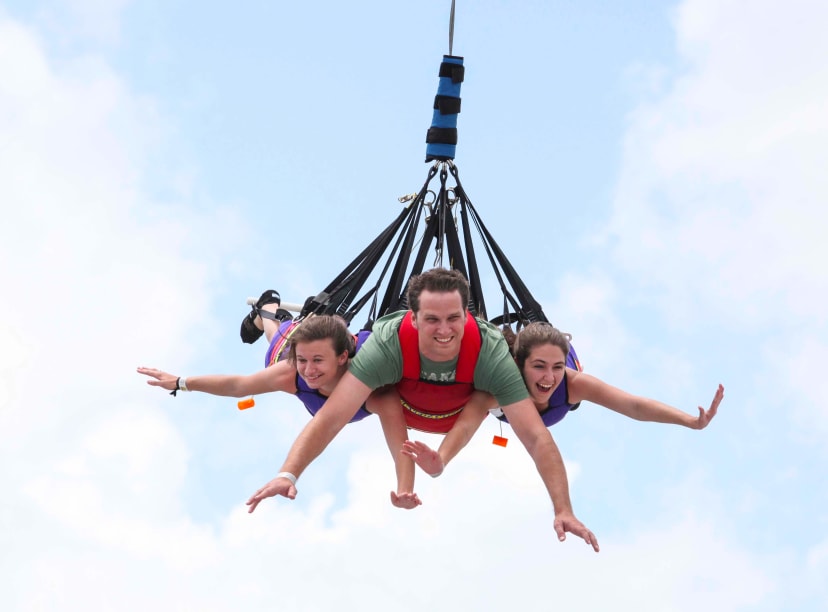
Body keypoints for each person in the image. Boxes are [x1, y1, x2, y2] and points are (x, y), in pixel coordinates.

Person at [246, 269, 600, 553]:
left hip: (453, 410)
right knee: (281, 350)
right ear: (413, 318)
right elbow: (330, 418)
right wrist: (289, 474)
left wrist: (563, 508)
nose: (444, 330)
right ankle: (268, 315)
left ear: (468, 316)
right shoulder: (386, 347)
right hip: (402, 396)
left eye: (453, 318)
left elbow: (537, 438)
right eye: (432, 319)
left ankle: (269, 316)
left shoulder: (490, 353)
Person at [137, 293, 421, 509]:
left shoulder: (375, 389)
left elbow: (400, 442)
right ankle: (267, 309)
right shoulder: (291, 371)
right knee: (278, 341)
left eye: (318, 362)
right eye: (304, 361)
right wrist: (181, 382)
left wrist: (405, 488)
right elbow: (239, 385)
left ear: (342, 357)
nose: (309, 370)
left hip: (372, 344)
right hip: (289, 346)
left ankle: (274, 316)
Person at [401, 321, 724, 479]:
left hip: (555, 358)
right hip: (507, 366)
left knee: (562, 370)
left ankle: (552, 351)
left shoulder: (572, 384)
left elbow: (632, 405)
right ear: (520, 365)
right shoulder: (497, 389)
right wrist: (440, 460)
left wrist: (691, 421)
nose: (548, 378)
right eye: (539, 368)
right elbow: (466, 426)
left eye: (556, 368)